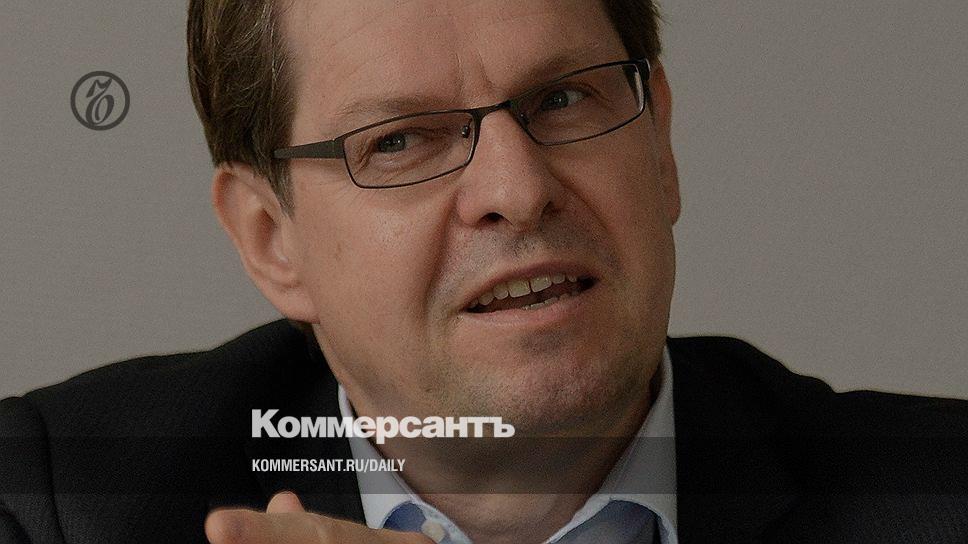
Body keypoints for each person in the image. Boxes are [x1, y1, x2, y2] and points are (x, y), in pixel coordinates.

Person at [1, 1, 966, 543]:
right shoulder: (58, 505)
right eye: (401, 140)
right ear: (270, 239)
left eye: (565, 98)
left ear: (660, 144)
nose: (518, 188)